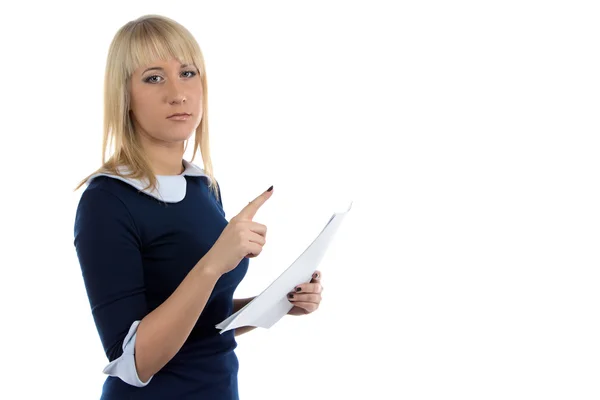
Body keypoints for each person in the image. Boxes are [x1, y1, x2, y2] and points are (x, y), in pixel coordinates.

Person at [73, 14, 324, 399]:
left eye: (188, 73)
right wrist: (212, 264)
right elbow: (133, 360)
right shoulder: (106, 201)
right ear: (123, 94)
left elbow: (203, 318)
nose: (178, 93)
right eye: (154, 77)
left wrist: (274, 304)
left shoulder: (203, 186)